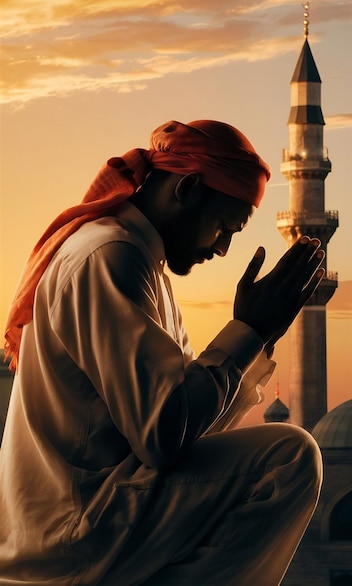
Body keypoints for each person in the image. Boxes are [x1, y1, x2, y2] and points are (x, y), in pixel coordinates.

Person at [0, 120, 324, 586]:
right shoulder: (110, 256)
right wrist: (247, 329)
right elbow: (162, 438)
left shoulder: (142, 263)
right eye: (223, 227)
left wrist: (258, 337)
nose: (222, 247)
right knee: (290, 459)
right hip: (75, 530)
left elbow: (188, 429)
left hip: (102, 512)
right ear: (188, 188)